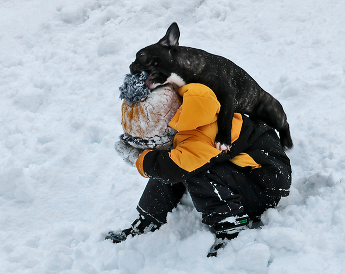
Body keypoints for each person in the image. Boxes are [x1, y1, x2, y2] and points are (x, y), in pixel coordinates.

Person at [107, 83, 291, 257]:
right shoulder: (185, 113)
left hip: (262, 188)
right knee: (171, 160)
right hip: (238, 169)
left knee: (186, 166)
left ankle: (232, 224)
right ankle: (148, 219)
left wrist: (139, 159)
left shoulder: (203, 133)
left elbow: (175, 167)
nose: (149, 146)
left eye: (150, 140)